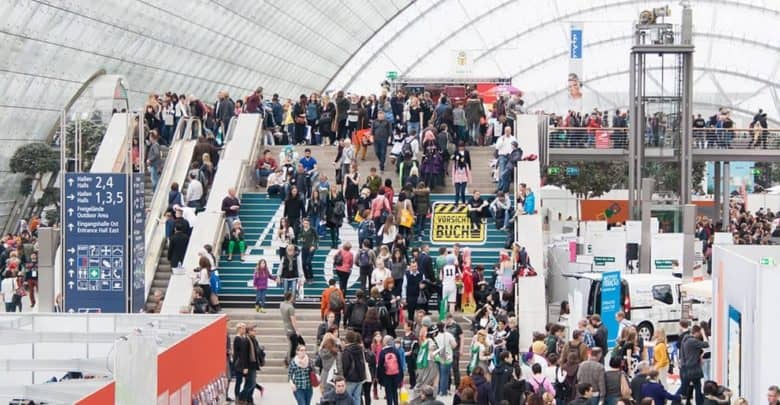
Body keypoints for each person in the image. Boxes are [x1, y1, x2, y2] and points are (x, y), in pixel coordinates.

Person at [679, 325, 709, 405]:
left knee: (684, 388)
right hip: (694, 368)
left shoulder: (685, 339)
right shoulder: (693, 341)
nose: (699, 336)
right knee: (698, 388)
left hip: (686, 368)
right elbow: (706, 344)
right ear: (696, 332)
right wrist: (703, 333)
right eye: (699, 333)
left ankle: (679, 401)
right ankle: (699, 403)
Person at [341, 330, 367, 405]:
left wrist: (344, 376)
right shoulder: (360, 349)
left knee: (348, 398)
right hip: (360, 377)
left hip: (350, 378)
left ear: (347, 339)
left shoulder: (347, 351)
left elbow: (346, 365)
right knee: (357, 397)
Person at [377, 335, 403, 405]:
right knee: (395, 392)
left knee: (388, 393)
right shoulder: (396, 351)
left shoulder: (383, 352)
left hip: (386, 375)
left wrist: (380, 377)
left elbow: (380, 366)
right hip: (396, 374)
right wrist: (401, 376)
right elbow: (400, 364)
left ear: (385, 342)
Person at [280, 291, 300, 365]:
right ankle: (289, 360)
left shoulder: (282, 304)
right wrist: (297, 330)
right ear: (290, 297)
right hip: (291, 328)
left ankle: (287, 358)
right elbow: (293, 320)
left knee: (290, 344)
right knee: (292, 345)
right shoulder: (290, 307)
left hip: (285, 326)